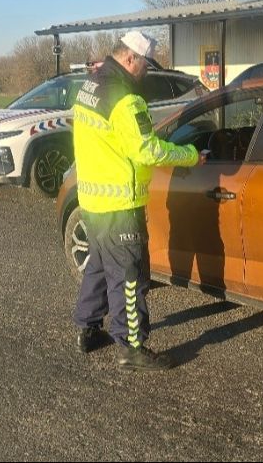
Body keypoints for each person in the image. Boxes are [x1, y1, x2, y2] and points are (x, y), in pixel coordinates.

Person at [71, 30, 206, 371]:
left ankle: (87, 330)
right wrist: (190, 155)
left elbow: (111, 140)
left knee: (99, 267)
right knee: (129, 277)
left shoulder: (91, 86)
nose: (147, 69)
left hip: (92, 199)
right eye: (145, 63)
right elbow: (147, 150)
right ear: (130, 58)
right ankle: (131, 348)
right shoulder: (126, 99)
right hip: (119, 204)